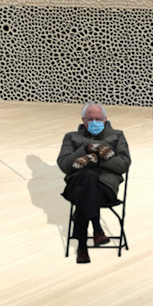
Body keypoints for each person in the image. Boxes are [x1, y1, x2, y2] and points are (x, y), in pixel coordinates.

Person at [58, 102, 131, 264]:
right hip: (75, 185)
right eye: (90, 119)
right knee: (88, 178)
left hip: (104, 190)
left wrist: (95, 159)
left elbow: (123, 165)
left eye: (98, 118)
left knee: (87, 181)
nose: (94, 122)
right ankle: (97, 230)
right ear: (83, 120)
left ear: (105, 119)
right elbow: (64, 165)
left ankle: (82, 246)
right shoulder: (71, 137)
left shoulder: (117, 136)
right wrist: (85, 149)